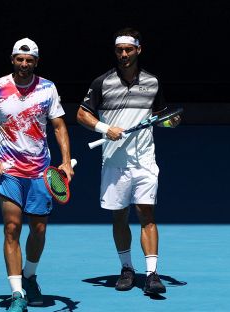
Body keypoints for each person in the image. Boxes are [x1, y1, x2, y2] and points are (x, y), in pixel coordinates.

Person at [76, 27, 181, 294]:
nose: (124, 54)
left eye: (128, 50)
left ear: (138, 50)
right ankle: (126, 268)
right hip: (113, 162)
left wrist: (171, 122)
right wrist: (104, 128)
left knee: (147, 213)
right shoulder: (102, 82)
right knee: (119, 216)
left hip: (145, 160)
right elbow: (81, 115)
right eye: (119, 50)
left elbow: (160, 116)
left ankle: (152, 274)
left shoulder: (153, 83)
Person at [0, 37, 74, 312]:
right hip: (8, 171)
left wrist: (66, 162)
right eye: (19, 59)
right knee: (11, 228)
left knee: (39, 230)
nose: (24, 64)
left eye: (29, 60)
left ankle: (30, 276)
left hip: (41, 172)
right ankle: (17, 292)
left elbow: (58, 127)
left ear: (35, 62)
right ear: (12, 59)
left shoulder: (47, 88)